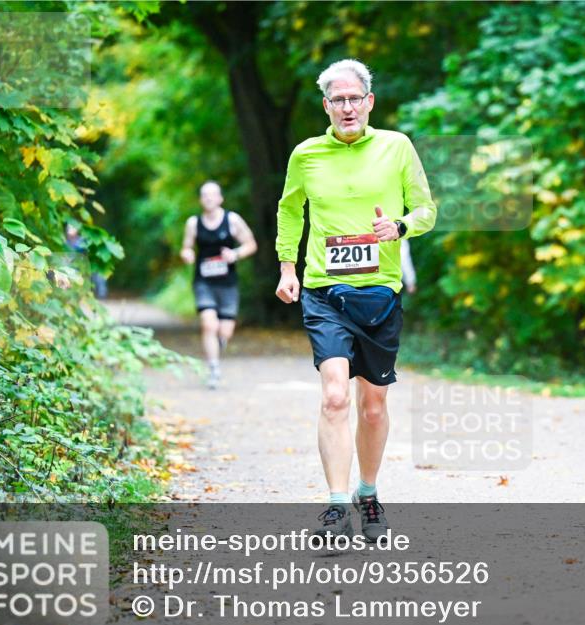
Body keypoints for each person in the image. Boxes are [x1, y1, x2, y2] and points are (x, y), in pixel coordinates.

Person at [275, 59, 436, 542]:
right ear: (326, 106)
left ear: (369, 102)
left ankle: (368, 493)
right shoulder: (306, 155)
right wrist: (288, 268)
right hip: (325, 290)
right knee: (335, 396)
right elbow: (289, 209)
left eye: (354, 98)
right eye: (337, 100)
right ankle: (335, 505)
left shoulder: (397, 147)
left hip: (380, 292)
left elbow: (426, 208)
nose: (347, 107)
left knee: (371, 406)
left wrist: (401, 226)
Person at [180, 181, 257, 389]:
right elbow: (186, 247)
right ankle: (213, 368)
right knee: (209, 324)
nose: (209, 198)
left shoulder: (232, 220)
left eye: (213, 195)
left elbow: (251, 244)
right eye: (205, 195)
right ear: (200, 200)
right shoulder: (193, 223)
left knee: (225, 331)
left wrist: (235, 254)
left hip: (227, 283)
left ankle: (217, 346)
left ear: (220, 198)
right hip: (203, 282)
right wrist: (187, 254)